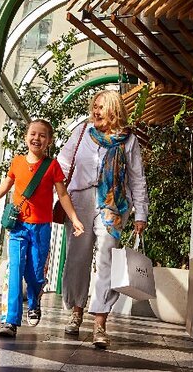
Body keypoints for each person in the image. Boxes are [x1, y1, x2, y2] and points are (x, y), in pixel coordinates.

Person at [58, 90, 148, 349]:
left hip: (113, 205)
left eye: (101, 107)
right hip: (81, 200)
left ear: (114, 110)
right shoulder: (82, 132)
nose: (95, 111)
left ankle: (100, 321)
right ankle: (76, 310)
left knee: (107, 259)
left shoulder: (128, 140)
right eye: (94, 107)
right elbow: (63, 164)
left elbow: (137, 177)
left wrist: (141, 212)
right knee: (77, 257)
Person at [0, 119, 84, 338]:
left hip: (41, 228)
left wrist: (75, 219)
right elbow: (7, 183)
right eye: (33, 133)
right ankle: (10, 321)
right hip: (18, 226)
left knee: (35, 274)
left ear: (49, 141)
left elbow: (62, 194)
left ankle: (34, 301)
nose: (36, 138)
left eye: (42, 135)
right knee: (15, 271)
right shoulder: (17, 162)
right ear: (25, 137)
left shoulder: (52, 166)